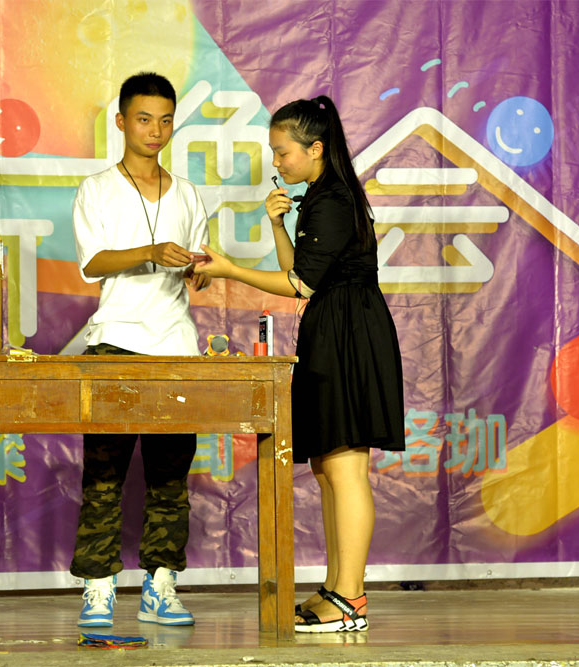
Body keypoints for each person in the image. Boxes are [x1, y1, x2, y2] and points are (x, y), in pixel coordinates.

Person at [194, 95, 405, 633]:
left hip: (350, 334)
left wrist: (228, 269)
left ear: (315, 148)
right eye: (273, 152)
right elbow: (303, 272)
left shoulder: (333, 198)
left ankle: (350, 598)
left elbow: (299, 284)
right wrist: (277, 226)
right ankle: (337, 588)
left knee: (346, 467)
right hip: (331, 328)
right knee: (327, 467)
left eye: (282, 152)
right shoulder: (317, 196)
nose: (276, 162)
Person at [70, 72, 210, 628]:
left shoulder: (190, 194)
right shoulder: (97, 188)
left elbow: (198, 263)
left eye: (166, 120)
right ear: (122, 121)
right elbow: (92, 263)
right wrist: (149, 250)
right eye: (144, 119)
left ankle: (161, 586)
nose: (155, 130)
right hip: (115, 342)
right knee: (103, 476)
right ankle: (98, 589)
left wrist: (198, 272)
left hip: (177, 347)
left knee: (171, 478)